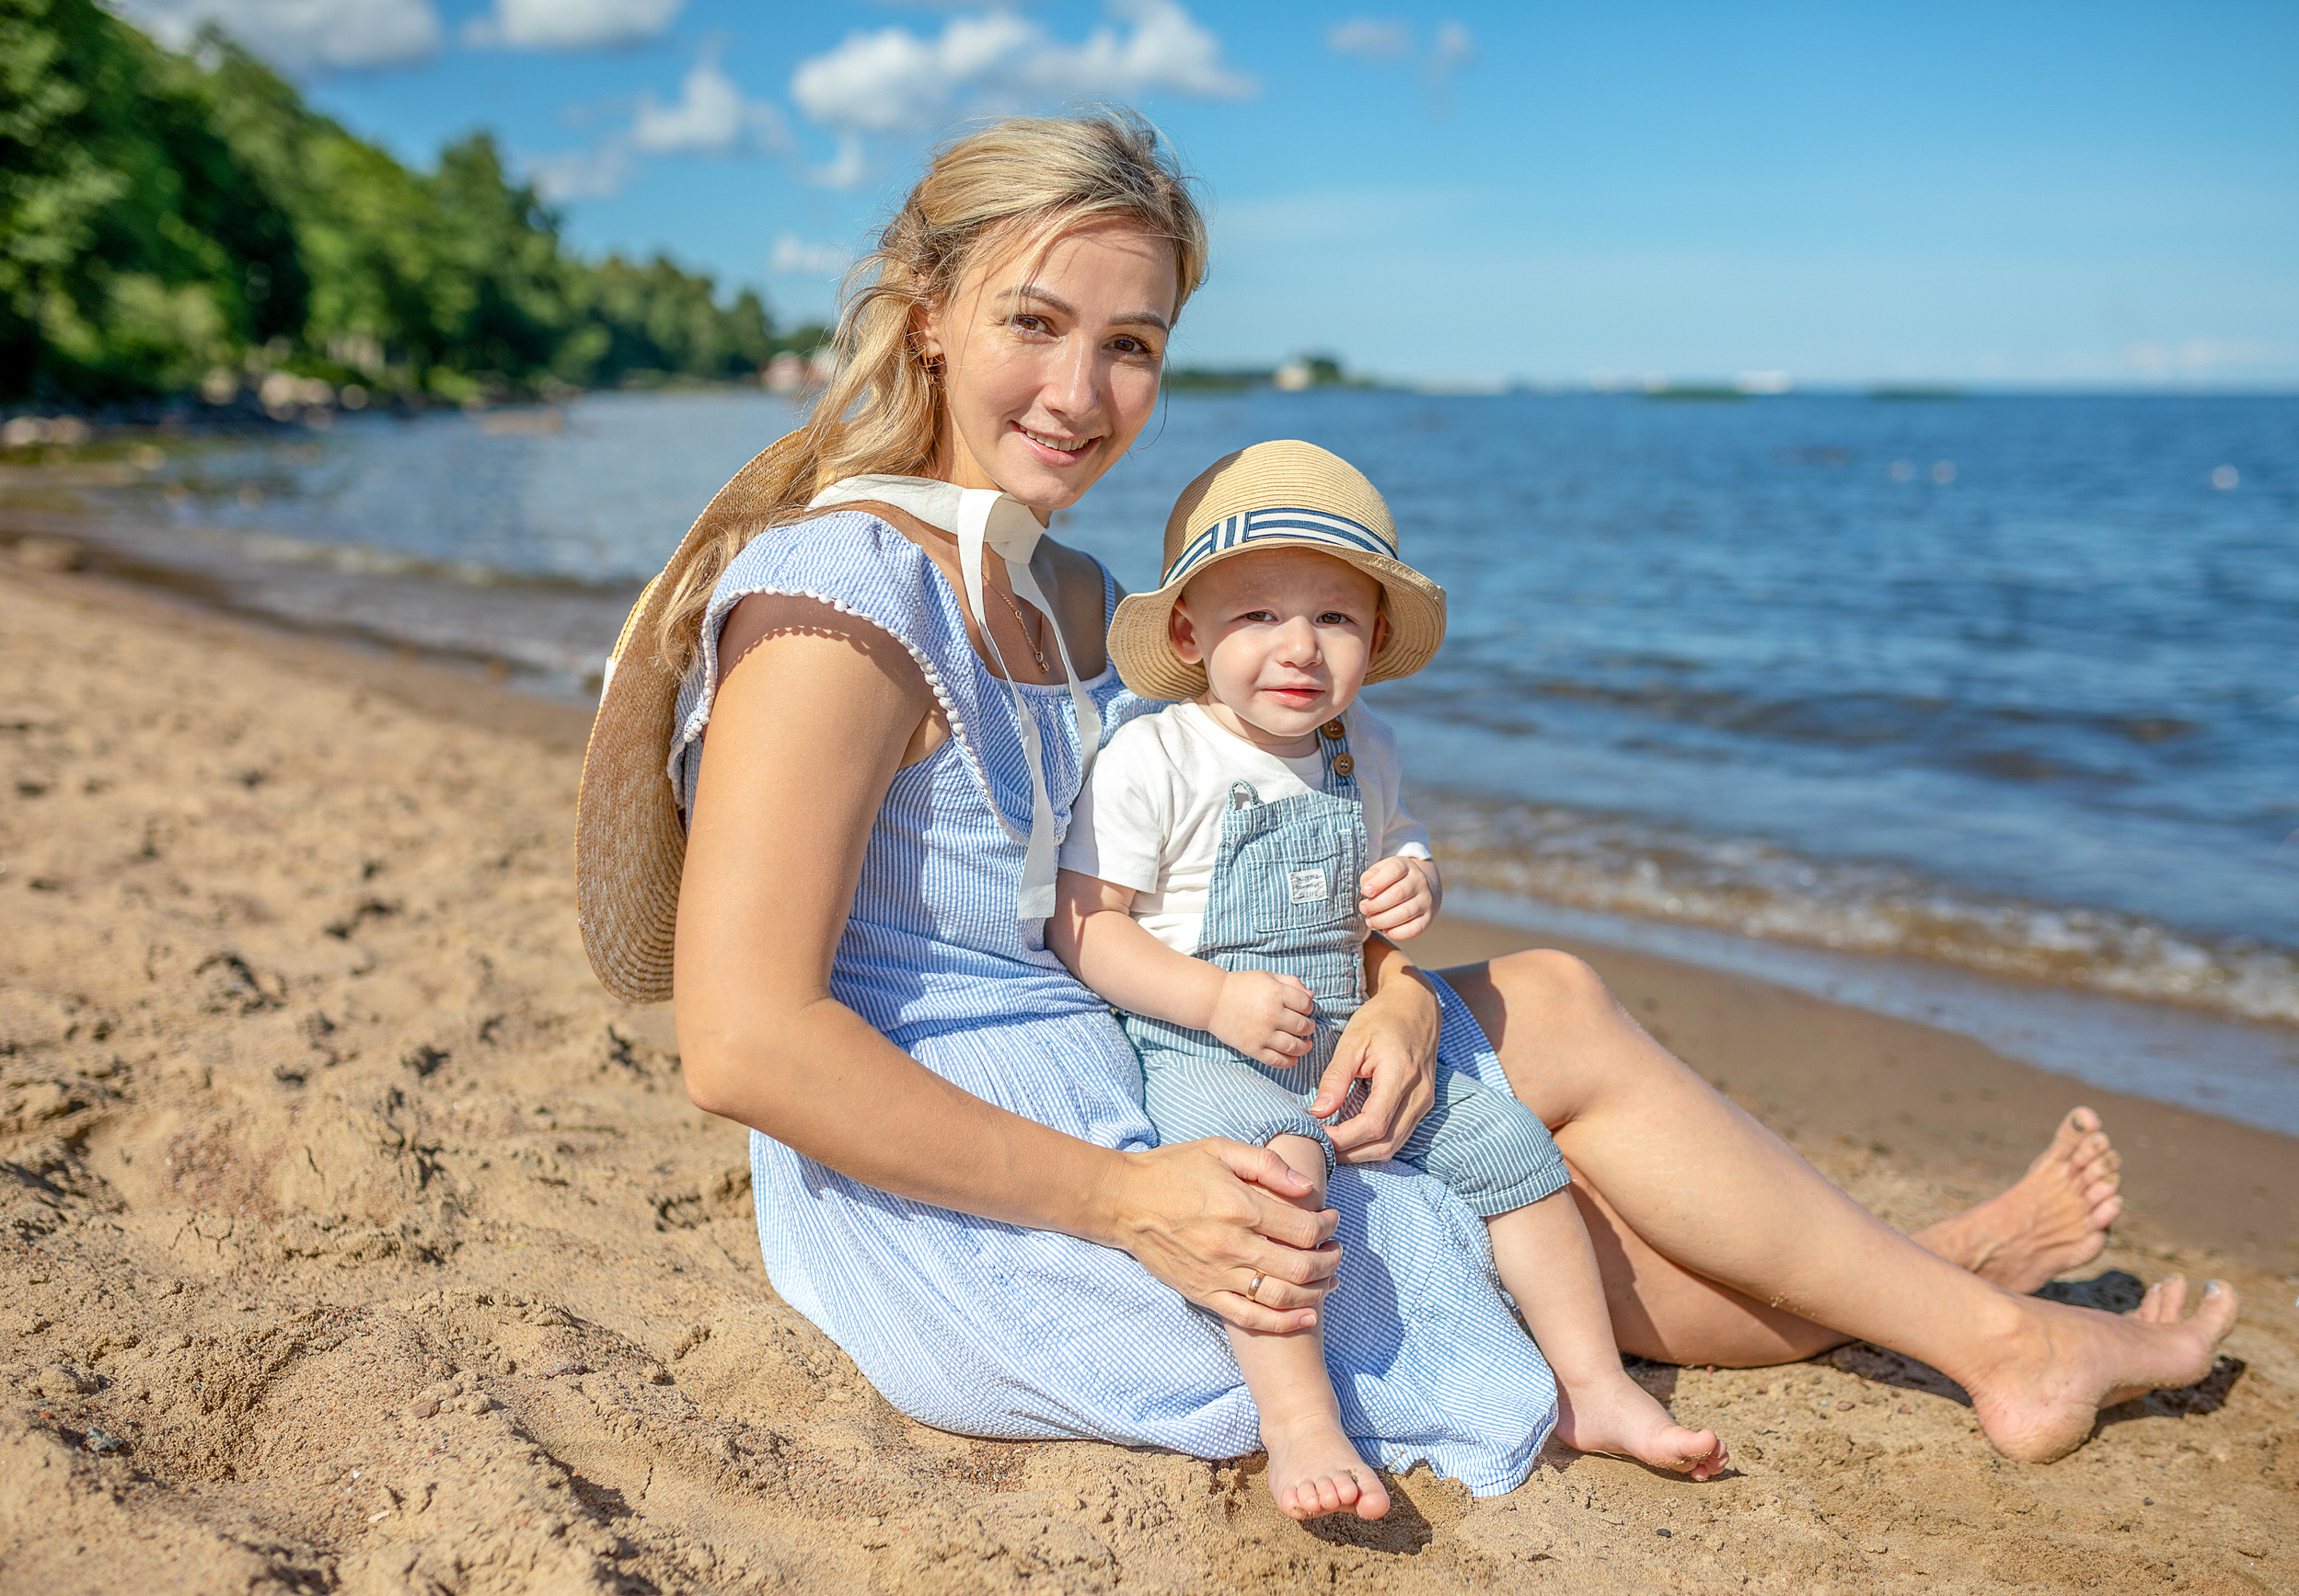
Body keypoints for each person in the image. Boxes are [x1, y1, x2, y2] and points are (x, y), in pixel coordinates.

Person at [572, 108, 2235, 1509]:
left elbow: (1175, 865)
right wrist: (1126, 1199)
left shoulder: (1073, 591)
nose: (1082, 390)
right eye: (1035, 320)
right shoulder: (837, 602)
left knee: (1541, 1012)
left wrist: (1386, 997)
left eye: (1131, 342)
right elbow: (745, 1045)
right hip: (980, 1169)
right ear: (925, 307)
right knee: (1494, 1213)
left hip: (1141, 1036)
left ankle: (1946, 1297)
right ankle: (1967, 1304)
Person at [1048, 441, 1724, 1521]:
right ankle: (1299, 1419)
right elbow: (1088, 928)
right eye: (1256, 615)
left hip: (1345, 1035)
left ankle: (1592, 1390)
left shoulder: (1363, 745)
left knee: (1512, 1145)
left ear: (1373, 637)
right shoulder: (1157, 758)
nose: (1299, 648)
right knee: (1267, 1186)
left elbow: (1394, 851)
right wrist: (1212, 999)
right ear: (1187, 633)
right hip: (1200, 1042)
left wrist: (1415, 883)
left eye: (1335, 618)